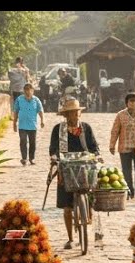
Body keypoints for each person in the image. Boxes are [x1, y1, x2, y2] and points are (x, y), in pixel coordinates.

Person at [48, 96, 100, 250]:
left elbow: (94, 147)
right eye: (71, 113)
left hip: (85, 168)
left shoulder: (86, 128)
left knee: (91, 194)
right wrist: (54, 158)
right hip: (66, 169)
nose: (75, 115)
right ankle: (70, 238)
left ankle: (87, 215)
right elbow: (53, 149)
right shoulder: (59, 129)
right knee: (67, 206)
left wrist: (97, 155)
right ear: (66, 115)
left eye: (77, 112)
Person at [11, 83, 45, 166]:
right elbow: (16, 111)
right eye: (26, 90)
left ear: (33, 91)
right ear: (24, 91)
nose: (28, 92)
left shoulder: (36, 100)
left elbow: (40, 111)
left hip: (33, 125)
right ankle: (24, 158)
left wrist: (42, 120)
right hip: (22, 125)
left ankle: (31, 158)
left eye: (29, 90)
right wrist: (14, 123)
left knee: (32, 143)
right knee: (23, 141)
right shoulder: (19, 99)